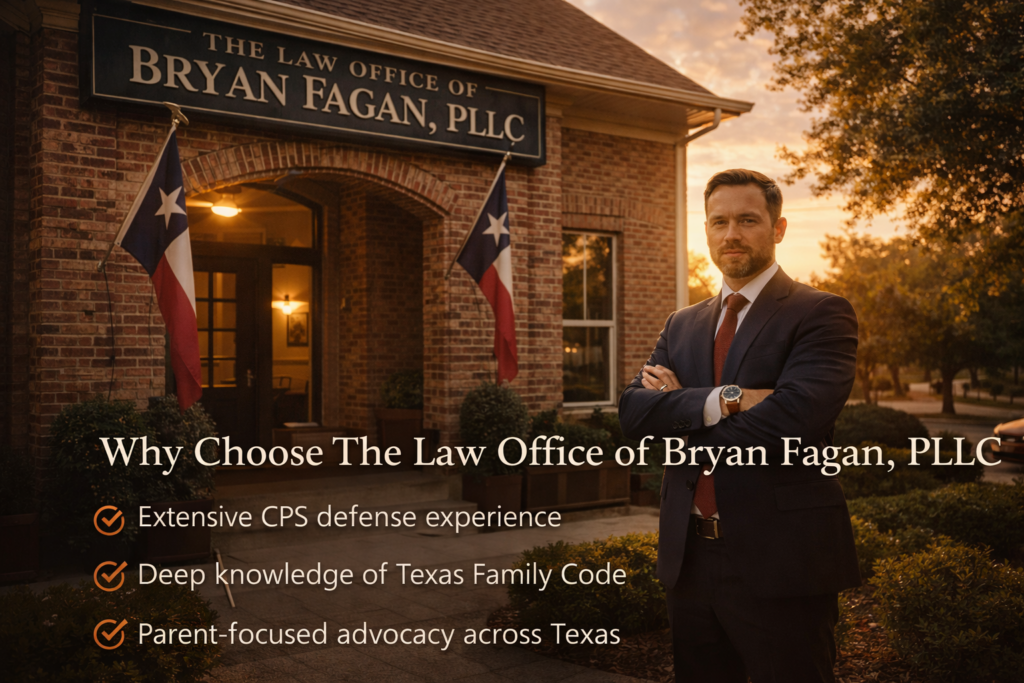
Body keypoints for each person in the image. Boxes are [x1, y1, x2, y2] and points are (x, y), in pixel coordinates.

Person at [618, 169, 860, 683]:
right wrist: (727, 400)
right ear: (704, 230)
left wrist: (680, 408)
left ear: (778, 228)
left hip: (783, 559)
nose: (732, 234)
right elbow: (634, 413)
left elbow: (790, 422)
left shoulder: (819, 313)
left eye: (748, 220)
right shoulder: (681, 323)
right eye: (719, 221)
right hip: (689, 558)